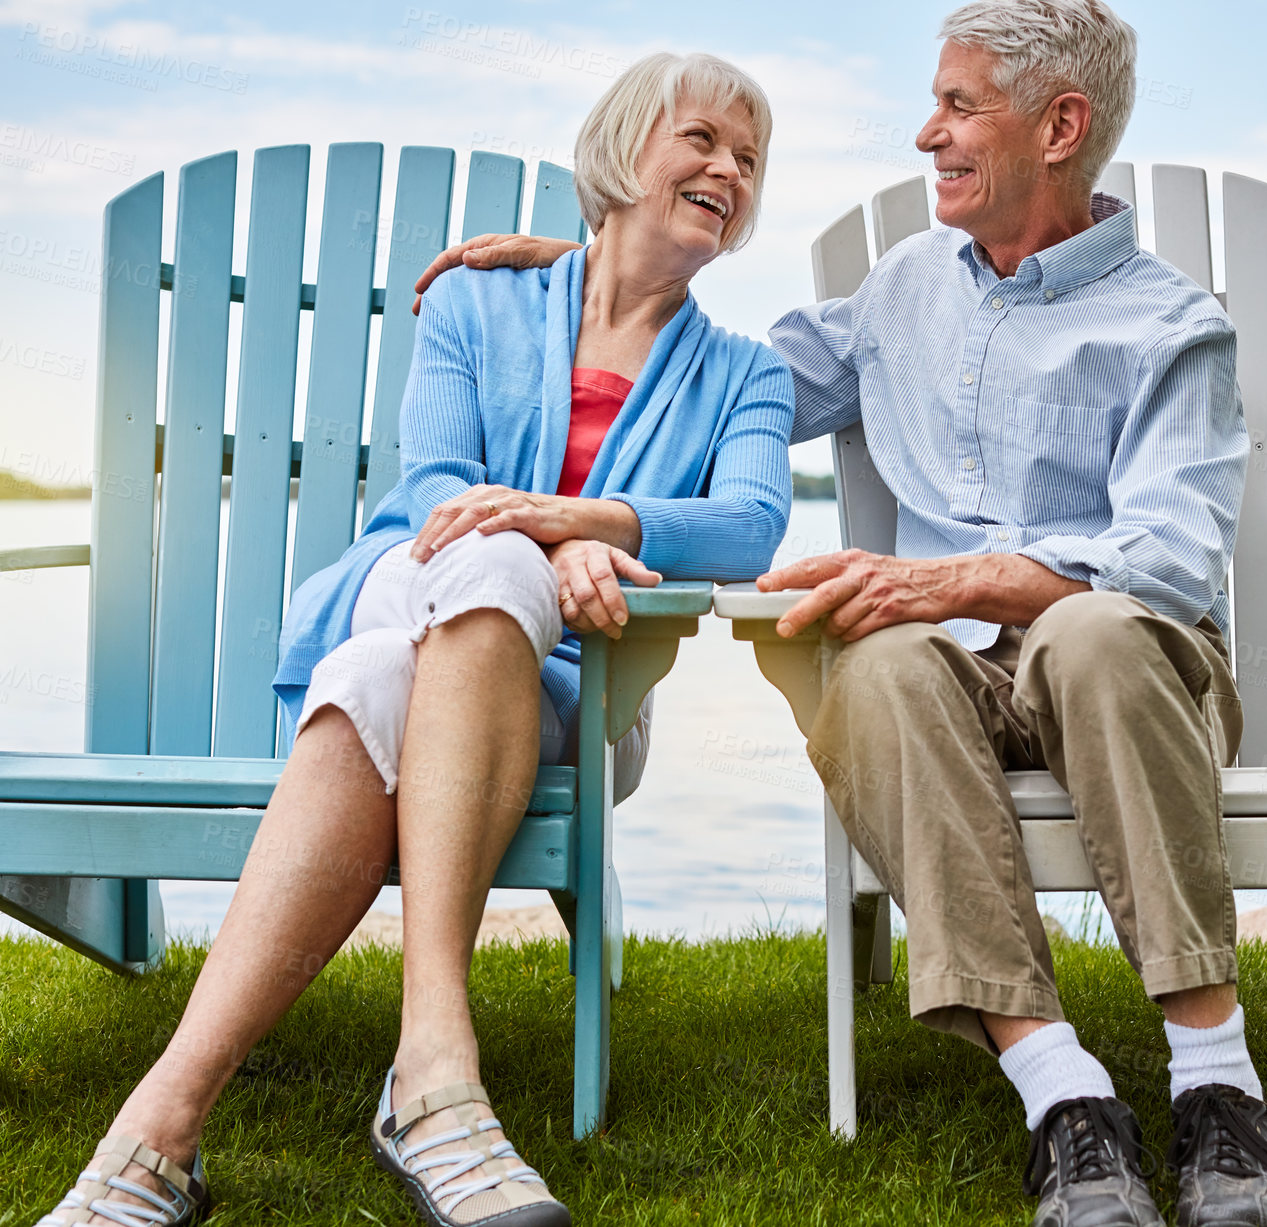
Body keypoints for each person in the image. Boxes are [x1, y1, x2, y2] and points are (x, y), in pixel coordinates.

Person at [412, 3, 1267, 1225]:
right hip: (946, 688)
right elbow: (729, 378)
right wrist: (587, 275)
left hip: (1127, 673)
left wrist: (949, 580)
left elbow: (1161, 566)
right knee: (873, 663)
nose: (926, 132)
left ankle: (1217, 1090)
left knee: (1084, 628)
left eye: (958, 105)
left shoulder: (1169, 325)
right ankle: (1063, 1098)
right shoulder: (900, 294)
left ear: (1059, 126)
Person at [33, 52, 791, 1227]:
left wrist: (577, 522)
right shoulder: (479, 305)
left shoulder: (748, 373)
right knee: (463, 576)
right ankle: (432, 1073)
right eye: (701, 140)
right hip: (412, 586)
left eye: (747, 158)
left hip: (575, 698)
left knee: (383, 670)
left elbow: (747, 527)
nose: (727, 170)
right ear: (624, 149)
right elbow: (440, 491)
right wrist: (541, 553)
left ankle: (157, 1132)